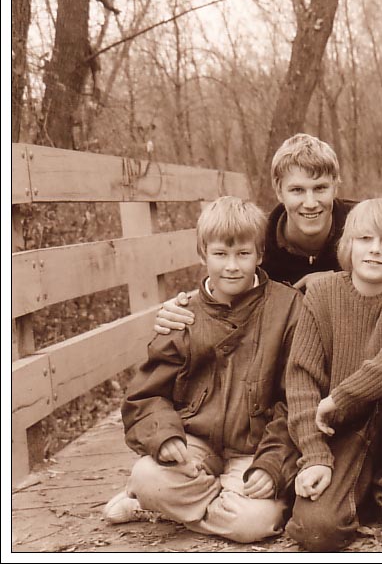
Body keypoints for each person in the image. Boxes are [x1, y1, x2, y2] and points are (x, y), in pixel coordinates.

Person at [102, 196, 302, 543]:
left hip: (254, 450)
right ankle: (188, 499)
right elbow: (147, 394)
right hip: (194, 445)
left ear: (260, 254)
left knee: (253, 522)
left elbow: (297, 398)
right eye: (220, 254)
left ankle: (165, 506)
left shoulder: (288, 309)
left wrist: (273, 464)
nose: (232, 266)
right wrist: (165, 437)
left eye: (243, 254)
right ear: (202, 254)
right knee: (147, 475)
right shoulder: (183, 315)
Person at [284, 198, 382, 551]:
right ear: (348, 244)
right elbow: (301, 382)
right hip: (340, 435)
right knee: (317, 530)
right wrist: (314, 455)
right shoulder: (322, 293)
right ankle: (359, 494)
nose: (375, 249)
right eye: (365, 238)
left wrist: (342, 396)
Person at [154, 133, 355, 333]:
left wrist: (339, 282)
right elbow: (224, 285)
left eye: (320, 188)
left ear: (335, 186)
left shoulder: (363, 225)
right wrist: (183, 309)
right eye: (297, 190)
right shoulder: (256, 241)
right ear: (279, 190)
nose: (310, 203)